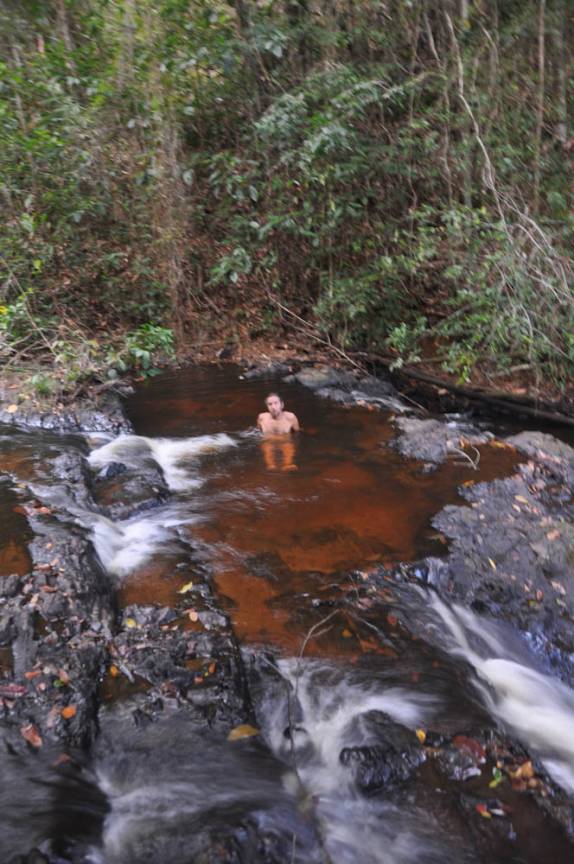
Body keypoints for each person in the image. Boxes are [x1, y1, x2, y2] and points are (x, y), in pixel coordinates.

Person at [257, 393, 300, 471]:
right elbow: (258, 432)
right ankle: (270, 465)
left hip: (285, 441)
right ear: (267, 407)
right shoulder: (262, 418)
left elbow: (297, 432)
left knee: (288, 445)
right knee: (267, 446)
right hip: (269, 442)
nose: (273, 407)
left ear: (282, 405)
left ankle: (287, 464)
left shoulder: (290, 417)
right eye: (270, 404)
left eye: (276, 403)